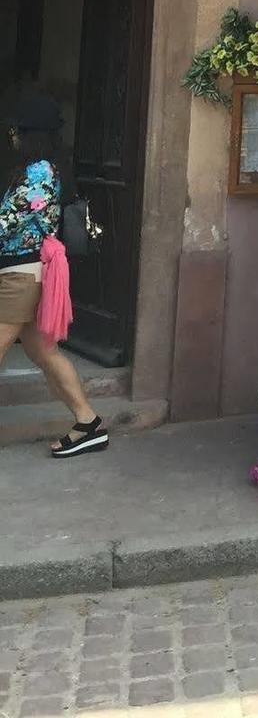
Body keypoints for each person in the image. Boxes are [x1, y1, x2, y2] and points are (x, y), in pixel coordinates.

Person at [0, 90, 108, 458]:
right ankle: (88, 423)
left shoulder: (41, 172)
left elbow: (8, 222)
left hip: (20, 277)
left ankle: (88, 423)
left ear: (31, 133)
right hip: (24, 274)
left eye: (16, 130)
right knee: (44, 352)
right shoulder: (38, 169)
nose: (11, 136)